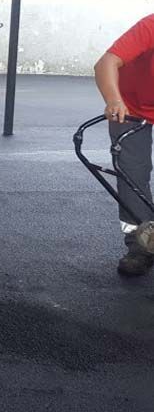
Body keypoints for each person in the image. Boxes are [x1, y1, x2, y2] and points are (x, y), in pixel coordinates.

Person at [93, 14, 154, 277]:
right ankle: (141, 246)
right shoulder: (151, 26)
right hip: (131, 107)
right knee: (132, 175)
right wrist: (113, 100)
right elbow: (106, 63)